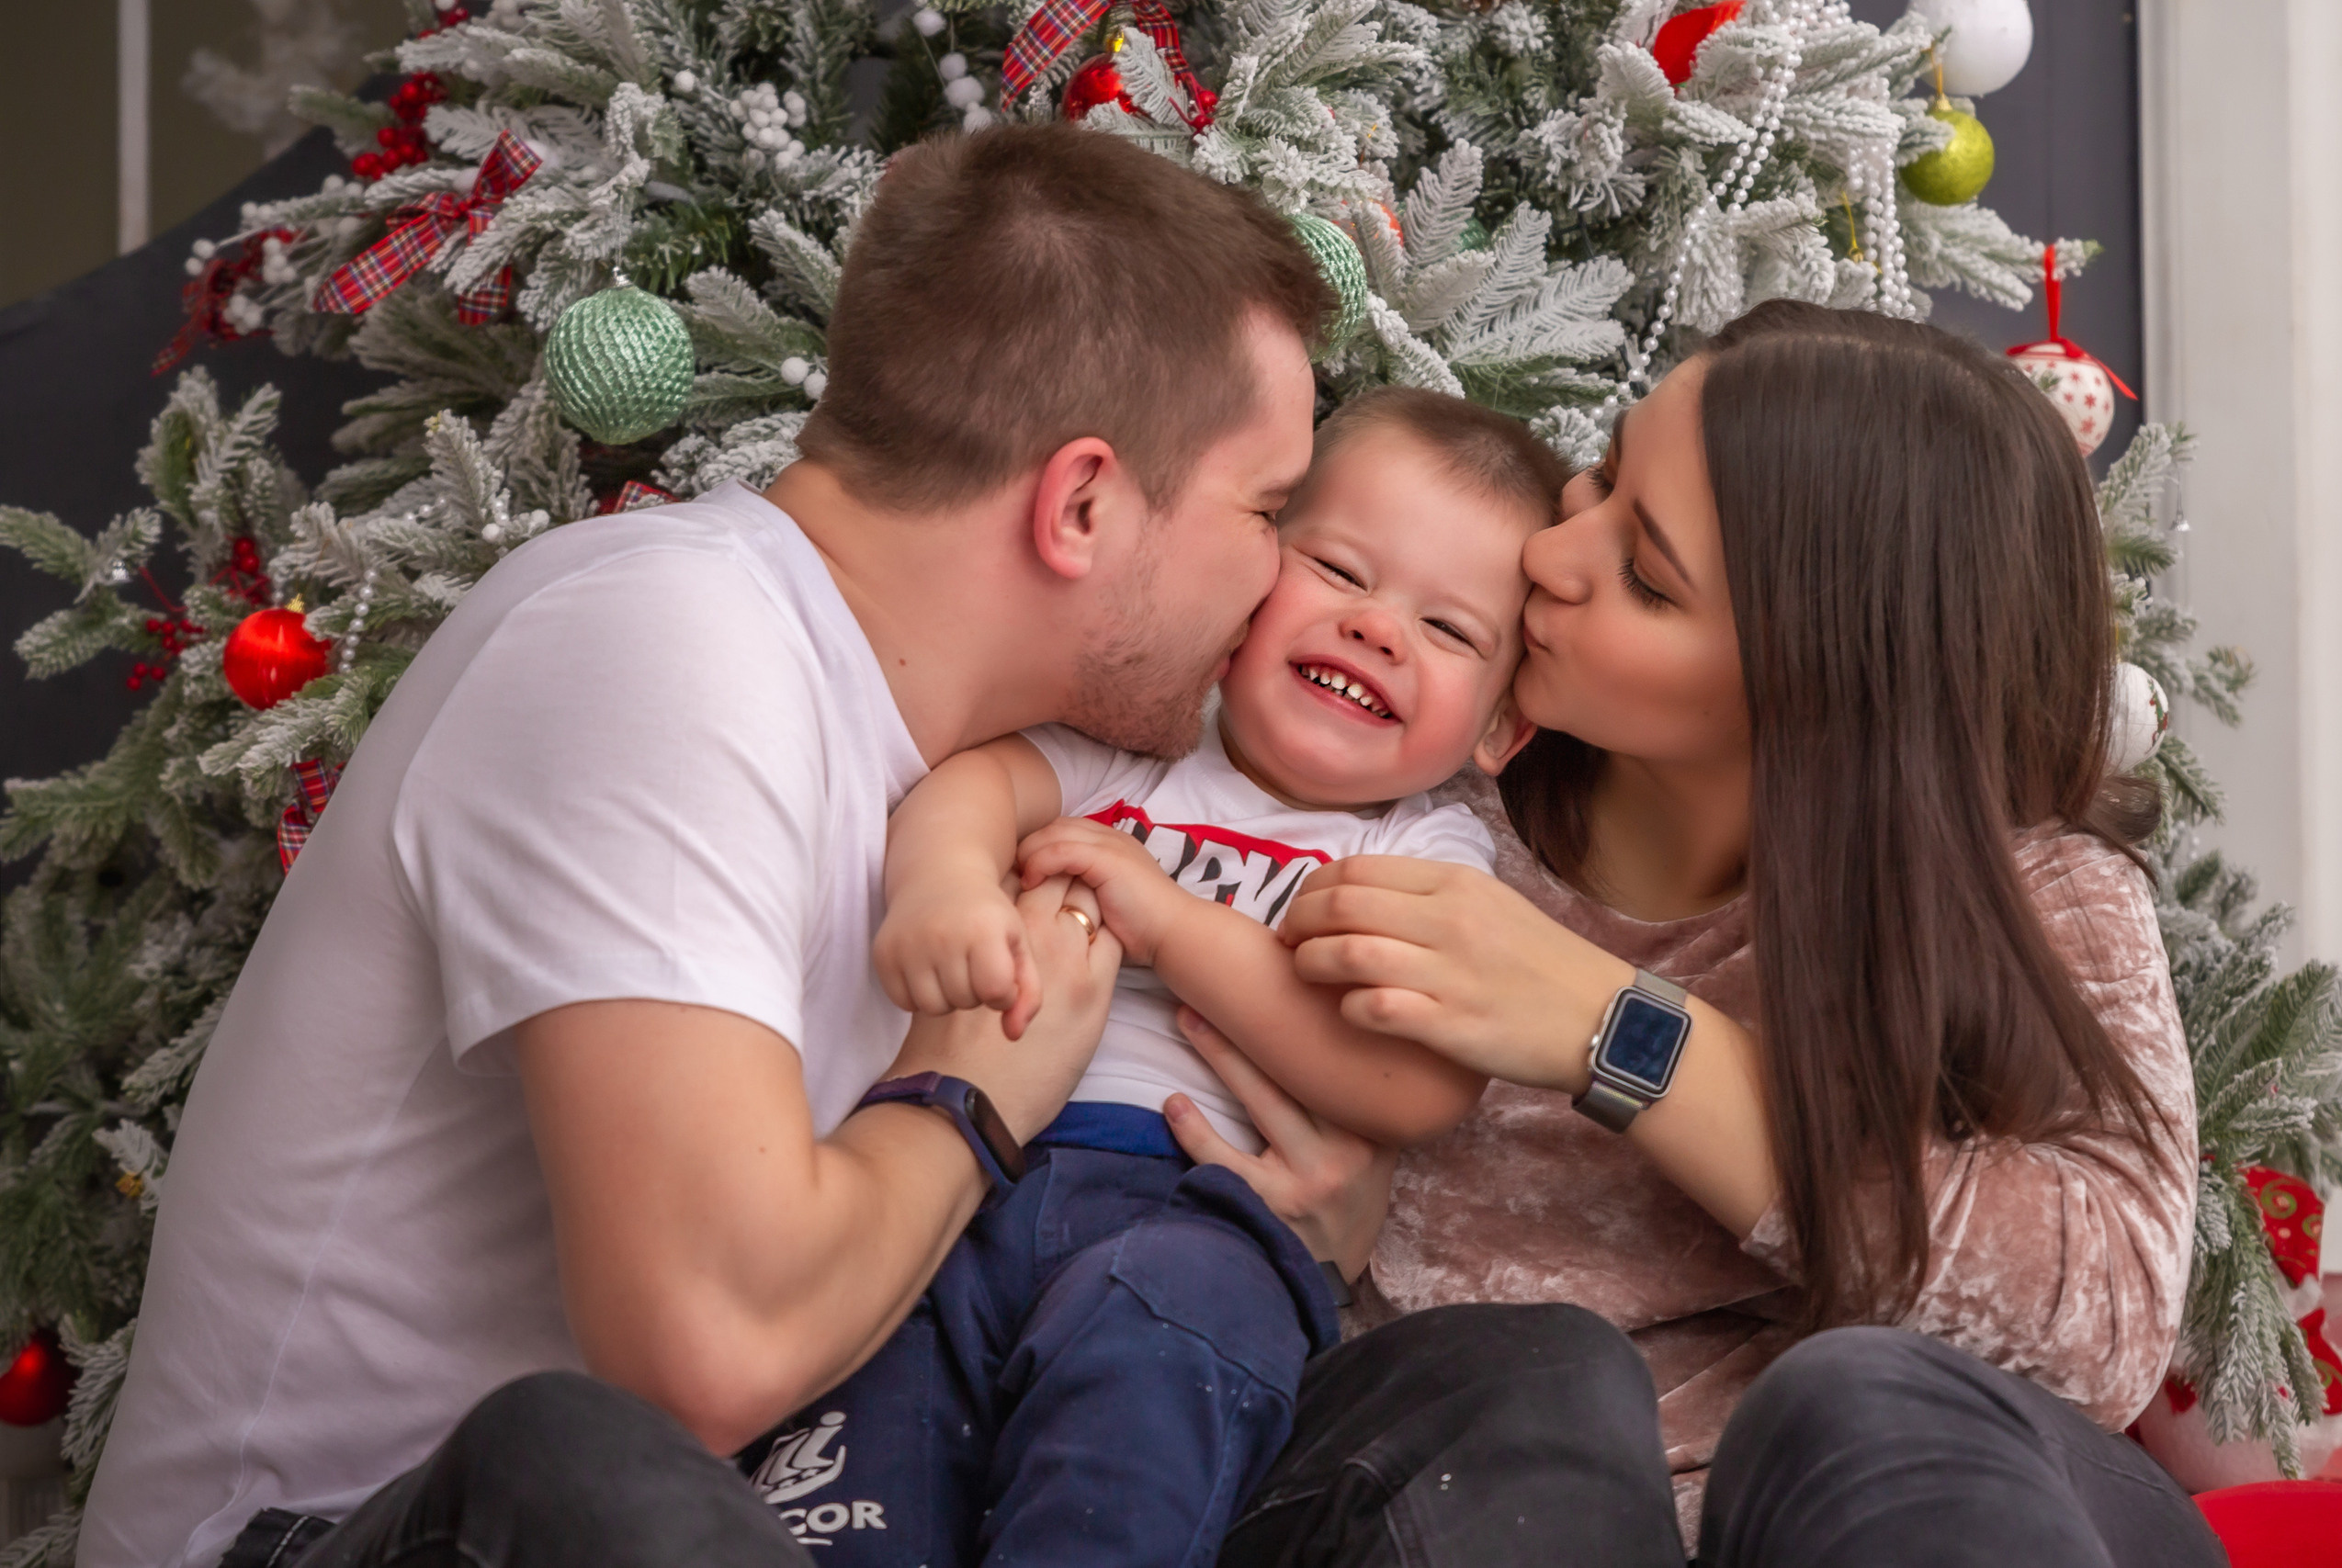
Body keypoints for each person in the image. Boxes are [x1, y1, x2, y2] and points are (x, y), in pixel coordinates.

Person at [76, 123, 1333, 1568]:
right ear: (1085, 504)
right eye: (1268, 510)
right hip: (334, 1539)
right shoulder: (669, 637)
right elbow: (708, 1344)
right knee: (588, 1458)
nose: (1284, 576)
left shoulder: (957, 765)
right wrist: (973, 1092)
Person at [1171, 303, 2226, 1567]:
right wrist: (1313, 1258)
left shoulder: (2023, 888)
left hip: (1900, 1503)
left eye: (1646, 576)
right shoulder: (1400, 780)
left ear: (1814, 687)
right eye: (1606, 479)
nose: (1555, 553)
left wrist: (1620, 1033)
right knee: (1534, 1380)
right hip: (1474, 1489)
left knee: (1866, 1406)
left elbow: (2101, 1325)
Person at [741, 389, 1559, 1567]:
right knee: (870, 1426)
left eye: (1448, 631)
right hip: (959, 1183)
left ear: (1498, 734)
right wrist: (945, 890)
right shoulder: (1143, 734)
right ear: (1256, 570)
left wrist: (1171, 927)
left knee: (1138, 1417)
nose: (1379, 628)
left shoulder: (1419, 852)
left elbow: (1416, 1083)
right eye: (1338, 570)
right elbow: (972, 791)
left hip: (1200, 1221)